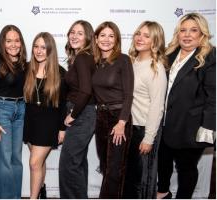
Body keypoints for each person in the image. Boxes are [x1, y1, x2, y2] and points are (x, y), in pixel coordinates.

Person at [157, 13, 216, 199]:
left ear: (202, 34)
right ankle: (163, 193)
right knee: (163, 162)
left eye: (193, 30)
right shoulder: (169, 53)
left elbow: (213, 95)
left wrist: (207, 127)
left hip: (192, 126)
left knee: (186, 169)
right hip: (165, 123)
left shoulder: (209, 56)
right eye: (183, 30)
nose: (187, 35)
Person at [123, 21, 167, 199]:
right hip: (130, 128)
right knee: (129, 177)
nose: (140, 38)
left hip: (145, 130)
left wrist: (149, 138)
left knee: (143, 180)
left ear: (155, 42)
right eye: (138, 33)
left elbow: (157, 106)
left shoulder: (155, 68)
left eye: (147, 36)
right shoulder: (131, 62)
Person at [92, 21, 134, 198]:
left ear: (116, 39)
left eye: (111, 36)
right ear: (96, 38)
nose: (106, 39)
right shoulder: (95, 62)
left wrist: (122, 122)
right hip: (101, 117)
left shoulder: (123, 60)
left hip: (118, 118)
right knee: (106, 166)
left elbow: (129, 94)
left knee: (114, 169)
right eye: (102, 35)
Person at [23, 32, 66, 199]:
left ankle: (33, 197)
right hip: (29, 122)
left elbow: (63, 104)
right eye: (36, 46)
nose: (39, 51)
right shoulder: (27, 69)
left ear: (50, 50)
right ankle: (41, 190)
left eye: (43, 47)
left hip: (49, 125)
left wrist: (62, 129)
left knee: (34, 163)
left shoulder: (60, 73)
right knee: (39, 163)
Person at [0, 25, 27, 199]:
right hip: (2, 110)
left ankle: (16, 197)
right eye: (9, 40)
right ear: (3, 42)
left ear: (21, 42)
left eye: (16, 40)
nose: (13, 44)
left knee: (16, 159)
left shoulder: (23, 63)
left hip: (21, 110)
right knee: (4, 160)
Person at [59, 20, 96, 199]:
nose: (74, 35)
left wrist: (73, 115)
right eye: (72, 32)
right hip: (85, 113)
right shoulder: (81, 57)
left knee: (69, 165)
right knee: (78, 163)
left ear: (88, 37)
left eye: (80, 33)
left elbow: (86, 90)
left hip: (82, 113)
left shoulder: (82, 57)